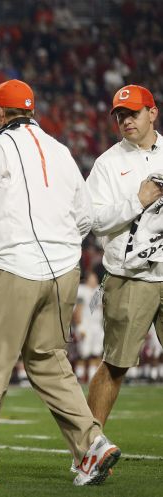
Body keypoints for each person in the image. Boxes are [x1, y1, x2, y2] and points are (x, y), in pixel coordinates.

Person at [0, 79, 119, 487]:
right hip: (63, 272)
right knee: (50, 362)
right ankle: (92, 443)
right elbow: (85, 218)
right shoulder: (61, 151)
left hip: (13, 269)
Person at [86, 84, 163, 426]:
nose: (126, 120)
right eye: (120, 115)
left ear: (152, 112)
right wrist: (138, 201)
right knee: (115, 364)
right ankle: (88, 450)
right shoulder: (107, 163)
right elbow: (92, 219)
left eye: (133, 113)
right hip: (129, 276)